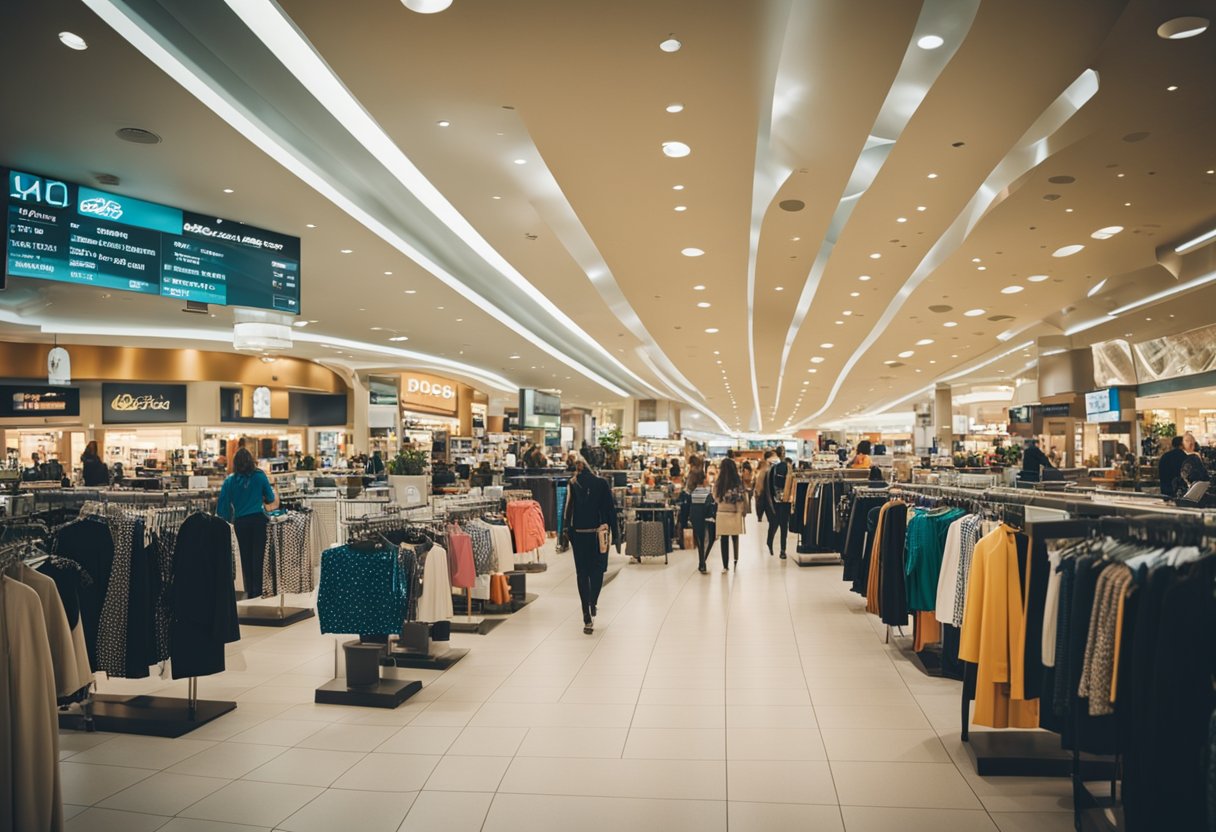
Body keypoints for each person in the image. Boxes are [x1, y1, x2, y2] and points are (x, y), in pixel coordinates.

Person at [561, 456, 618, 634]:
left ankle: (586, 613)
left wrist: (565, 533)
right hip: (598, 535)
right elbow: (610, 509)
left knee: (582, 573)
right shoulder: (601, 484)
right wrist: (615, 534)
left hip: (579, 535)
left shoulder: (572, 484)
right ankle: (593, 602)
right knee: (598, 570)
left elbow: (567, 510)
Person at [217, 447, 279, 598]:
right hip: (258, 520)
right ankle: (258, 590)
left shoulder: (230, 481)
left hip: (241, 522)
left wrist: (226, 519)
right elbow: (270, 498)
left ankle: (249, 589)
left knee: (245, 557)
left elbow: (222, 507)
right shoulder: (259, 476)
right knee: (258, 556)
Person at [713, 457, 747, 571]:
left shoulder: (719, 483)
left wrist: (722, 503)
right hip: (734, 511)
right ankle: (736, 559)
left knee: (724, 538)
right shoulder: (737, 482)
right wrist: (740, 511)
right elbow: (740, 498)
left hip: (722, 512)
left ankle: (725, 565)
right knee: (735, 536)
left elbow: (715, 497)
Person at [685, 467, 715, 574]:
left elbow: (689, 507)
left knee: (699, 540)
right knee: (708, 540)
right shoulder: (707, 492)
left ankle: (701, 562)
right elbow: (711, 506)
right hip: (706, 519)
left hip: (695, 518)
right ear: (703, 479)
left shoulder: (691, 493)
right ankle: (702, 561)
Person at [765, 453, 791, 558]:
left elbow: (768, 487)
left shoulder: (773, 469)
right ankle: (780, 549)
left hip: (777, 502)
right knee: (781, 526)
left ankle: (775, 545)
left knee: (777, 525)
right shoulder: (786, 469)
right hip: (783, 502)